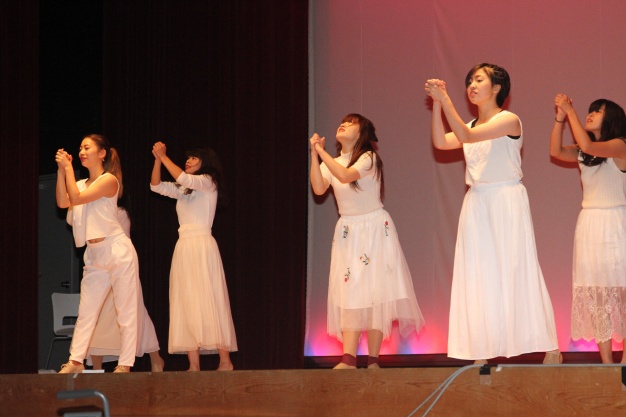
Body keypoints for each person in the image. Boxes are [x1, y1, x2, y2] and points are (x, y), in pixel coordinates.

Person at [425, 63, 561, 364]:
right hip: (476, 202)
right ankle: (482, 349)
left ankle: (550, 345)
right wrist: (437, 104)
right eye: (469, 81)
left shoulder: (508, 120)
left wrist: (445, 98)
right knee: (478, 273)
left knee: (517, 268)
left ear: (497, 87)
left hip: (505, 199)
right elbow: (441, 141)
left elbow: (464, 135)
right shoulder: (471, 125)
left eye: (479, 80)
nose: (472, 86)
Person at [310, 113, 425, 369]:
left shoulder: (368, 158)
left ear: (362, 133)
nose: (343, 124)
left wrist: (321, 152)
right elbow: (318, 188)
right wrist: (315, 155)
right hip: (348, 231)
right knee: (350, 290)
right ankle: (349, 359)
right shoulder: (331, 162)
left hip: (374, 228)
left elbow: (345, 176)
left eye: (351, 123)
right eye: (342, 121)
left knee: (376, 292)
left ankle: (373, 360)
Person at [550, 94, 626, 363]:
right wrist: (560, 118)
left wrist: (570, 110)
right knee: (597, 294)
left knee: (621, 292)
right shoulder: (586, 151)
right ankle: (607, 364)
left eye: (598, 111)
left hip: (616, 223)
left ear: (612, 118)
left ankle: (625, 362)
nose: (590, 114)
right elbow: (556, 151)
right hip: (590, 224)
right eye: (590, 110)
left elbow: (588, 145)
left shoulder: (620, 144)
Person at [55, 134, 139, 373]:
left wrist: (68, 169)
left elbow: (77, 198)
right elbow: (63, 202)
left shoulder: (109, 180)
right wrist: (61, 171)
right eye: (80, 148)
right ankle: (75, 361)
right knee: (86, 311)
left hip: (116, 249)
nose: (82, 152)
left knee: (125, 309)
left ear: (102, 153)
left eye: (87, 147)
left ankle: (125, 363)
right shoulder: (80, 183)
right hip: (94, 253)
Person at [150, 142, 237, 371]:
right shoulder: (184, 189)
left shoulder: (208, 181)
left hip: (202, 244)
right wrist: (158, 160)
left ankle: (225, 361)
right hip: (184, 246)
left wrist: (164, 156)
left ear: (205, 162)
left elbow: (184, 177)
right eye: (187, 158)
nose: (188, 161)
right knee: (186, 300)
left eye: (193, 158)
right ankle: (194, 364)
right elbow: (155, 186)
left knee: (211, 298)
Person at [87, 202, 165, 372]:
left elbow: (103, 234)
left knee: (133, 313)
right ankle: (97, 369)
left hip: (121, 266)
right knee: (99, 315)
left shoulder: (119, 212)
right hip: (101, 268)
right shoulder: (98, 210)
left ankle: (154, 359)